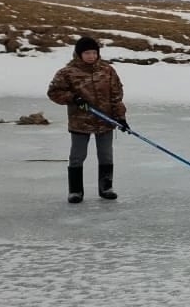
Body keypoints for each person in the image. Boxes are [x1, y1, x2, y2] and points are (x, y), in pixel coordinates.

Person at [46, 36, 129, 203]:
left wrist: (120, 117)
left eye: (94, 52)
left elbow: (116, 96)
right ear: (79, 54)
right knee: (77, 155)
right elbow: (54, 92)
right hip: (80, 122)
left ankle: (106, 187)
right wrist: (73, 98)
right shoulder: (67, 72)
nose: (91, 56)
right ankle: (75, 191)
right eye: (87, 53)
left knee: (106, 155)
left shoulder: (107, 71)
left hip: (105, 121)